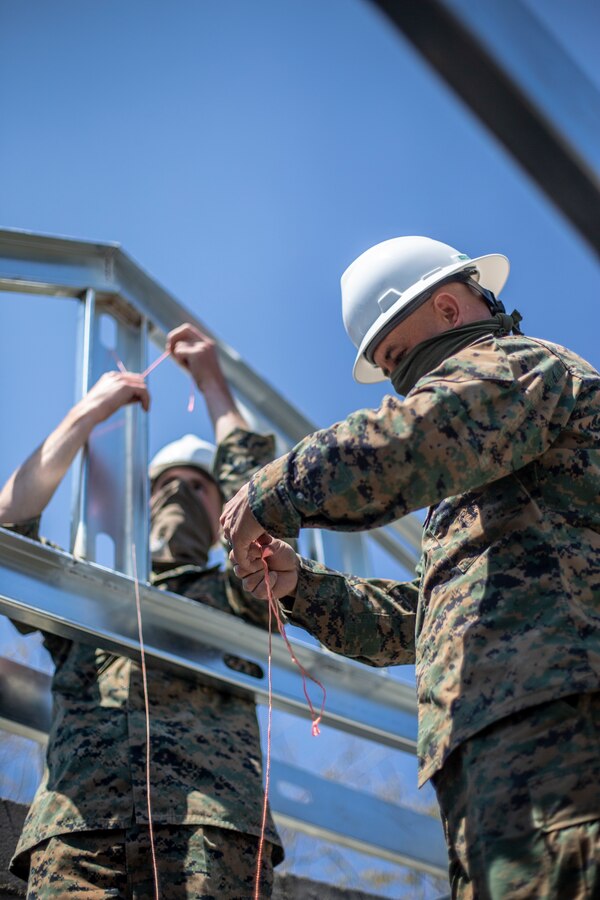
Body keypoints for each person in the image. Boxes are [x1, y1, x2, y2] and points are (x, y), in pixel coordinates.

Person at [221, 236, 600, 899]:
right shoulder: (497, 461)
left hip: (568, 738)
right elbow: (426, 623)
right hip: (499, 761)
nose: (400, 379)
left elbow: (407, 441)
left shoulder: (522, 369)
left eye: (397, 356)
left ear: (450, 310)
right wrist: (303, 588)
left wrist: (273, 489)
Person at [1, 323, 282, 898]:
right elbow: (9, 530)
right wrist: (87, 415)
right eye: (165, 485)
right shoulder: (93, 590)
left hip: (212, 831)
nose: (179, 494)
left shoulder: (239, 590)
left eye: (198, 487)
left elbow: (264, 499)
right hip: (78, 831)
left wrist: (211, 384)